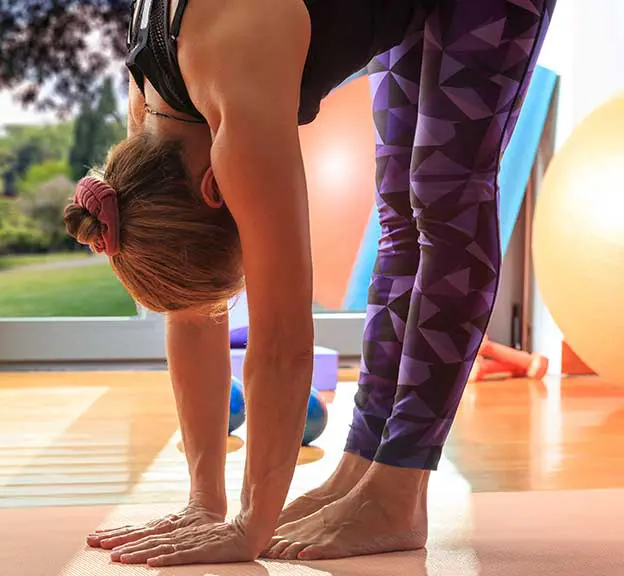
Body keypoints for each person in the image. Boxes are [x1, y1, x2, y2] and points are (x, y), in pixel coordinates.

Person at [67, 0, 555, 567]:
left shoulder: (233, 80)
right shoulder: (151, 96)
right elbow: (191, 314)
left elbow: (282, 342)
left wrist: (250, 526)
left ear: (215, 190)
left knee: (445, 193)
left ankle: (398, 491)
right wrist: (205, 502)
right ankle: (362, 466)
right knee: (400, 203)